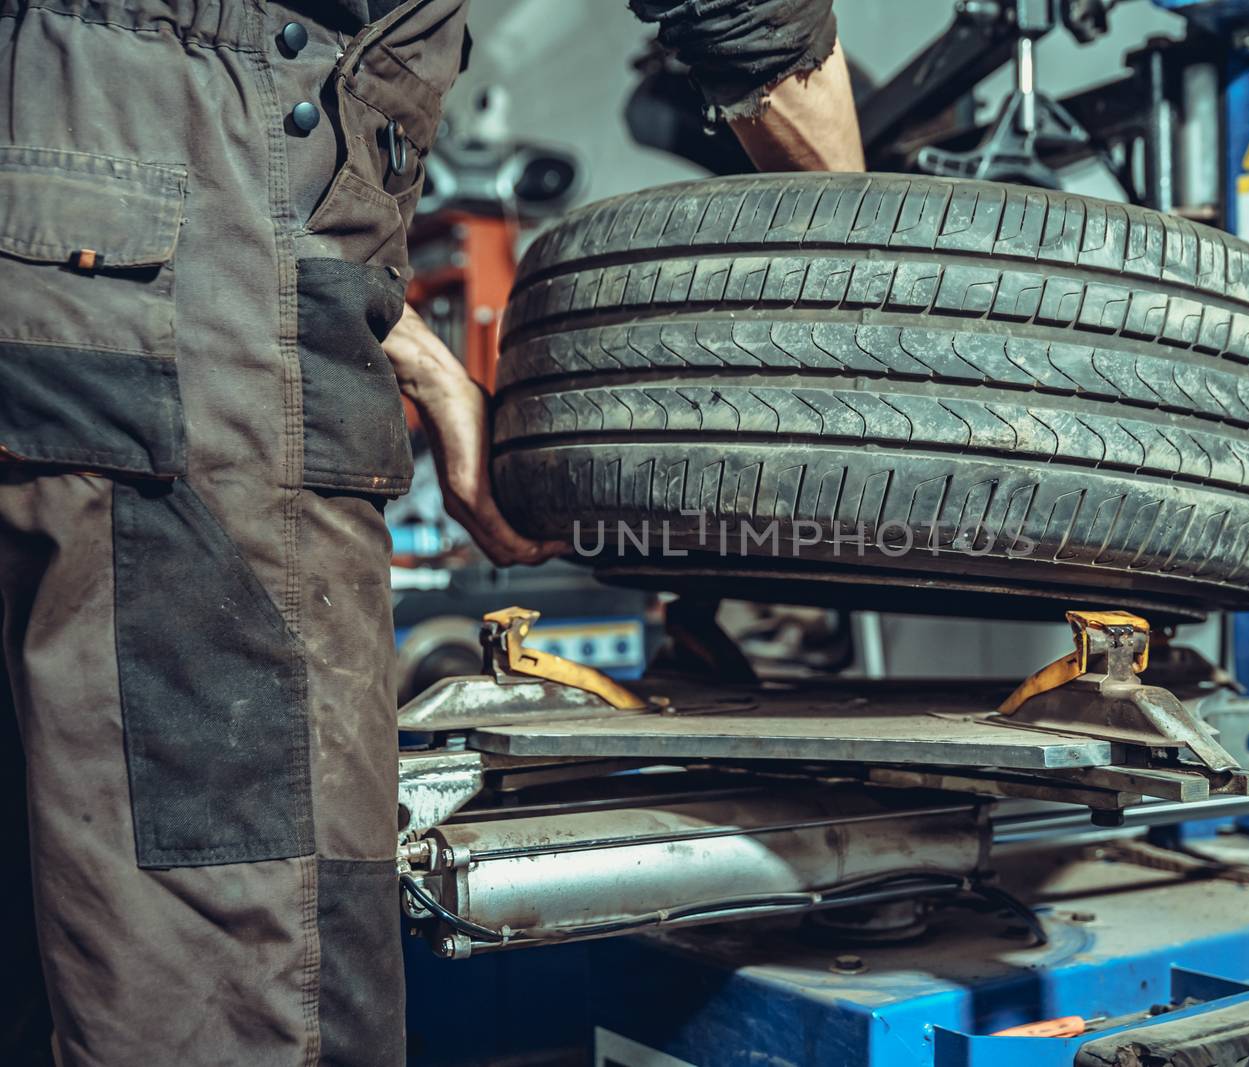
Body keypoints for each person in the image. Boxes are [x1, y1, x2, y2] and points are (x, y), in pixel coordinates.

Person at [0, 0, 863, 1062]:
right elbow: (212, 147)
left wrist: (420, 360)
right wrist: (892, 288)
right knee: (253, 986)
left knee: (47, 934)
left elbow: (116, 145)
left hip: (69, 228)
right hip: (194, 299)